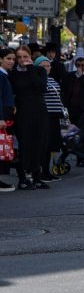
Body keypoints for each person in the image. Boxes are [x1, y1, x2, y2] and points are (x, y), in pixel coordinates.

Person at [9, 47, 50, 190]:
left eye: (25, 56)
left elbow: (41, 87)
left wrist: (31, 68)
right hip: (22, 113)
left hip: (39, 112)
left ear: (30, 56)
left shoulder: (38, 71)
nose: (22, 60)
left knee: (39, 144)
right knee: (23, 144)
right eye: (19, 57)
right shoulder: (13, 74)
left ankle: (37, 178)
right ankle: (23, 179)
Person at [61, 57, 84, 165]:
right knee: (74, 134)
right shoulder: (69, 76)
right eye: (78, 65)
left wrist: (81, 76)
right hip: (72, 109)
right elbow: (65, 90)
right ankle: (80, 159)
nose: (80, 67)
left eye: (82, 65)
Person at [35, 56, 65, 183]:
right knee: (44, 145)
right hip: (45, 115)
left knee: (52, 145)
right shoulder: (38, 80)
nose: (46, 68)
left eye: (48, 66)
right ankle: (42, 172)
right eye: (43, 66)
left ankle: (46, 171)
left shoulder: (52, 79)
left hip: (55, 116)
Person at [0, 48, 15, 192]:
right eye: (8, 58)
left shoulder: (5, 75)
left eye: (12, 59)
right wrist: (1, 118)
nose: (11, 61)